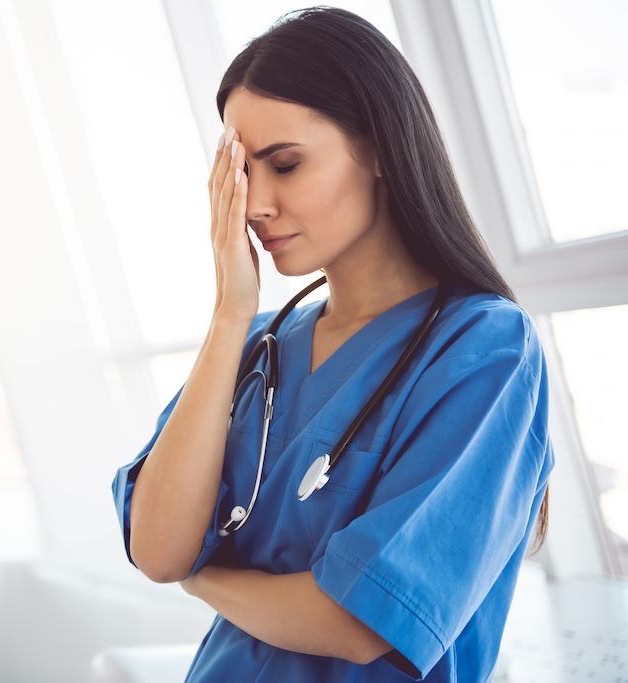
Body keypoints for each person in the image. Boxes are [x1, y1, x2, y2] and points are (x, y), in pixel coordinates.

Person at [111, 6, 553, 681]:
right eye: (242, 173)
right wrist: (231, 312)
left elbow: (356, 622)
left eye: (284, 165)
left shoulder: (485, 350)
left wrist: (207, 580)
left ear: (377, 146)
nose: (256, 204)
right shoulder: (254, 349)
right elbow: (160, 548)